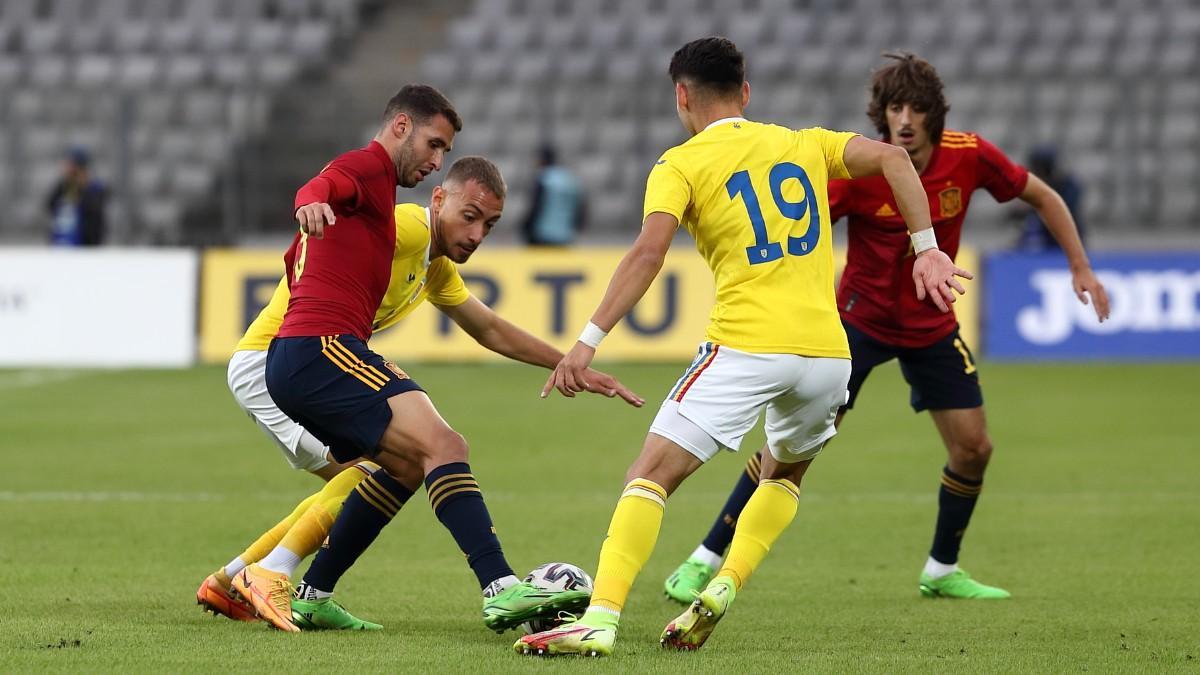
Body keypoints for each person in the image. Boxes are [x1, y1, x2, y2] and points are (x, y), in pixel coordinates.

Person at [515, 38, 969, 657]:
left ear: (681, 95)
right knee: (784, 474)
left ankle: (599, 618)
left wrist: (586, 342)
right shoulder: (803, 142)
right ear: (746, 94)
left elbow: (648, 254)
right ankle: (725, 584)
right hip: (829, 355)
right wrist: (928, 248)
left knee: (648, 477)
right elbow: (894, 159)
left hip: (746, 346)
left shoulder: (679, 164)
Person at [662, 53, 1110, 605]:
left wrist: (1080, 265)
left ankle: (942, 568)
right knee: (789, 453)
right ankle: (704, 558)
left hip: (931, 323)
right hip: (857, 324)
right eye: (895, 106)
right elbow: (789, 226)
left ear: (933, 115)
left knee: (974, 448)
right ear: (882, 112)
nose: (904, 118)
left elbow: (1042, 195)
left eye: (917, 108)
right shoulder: (861, 170)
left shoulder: (969, 157)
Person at [231, 85, 642, 635]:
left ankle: (306, 589)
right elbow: (326, 183)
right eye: (470, 216)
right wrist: (309, 204)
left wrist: (570, 364)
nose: (477, 236)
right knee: (440, 446)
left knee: (399, 466)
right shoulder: (404, 220)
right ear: (439, 199)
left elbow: (489, 327)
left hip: (308, 353)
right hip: (306, 348)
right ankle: (497, 587)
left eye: (489, 226)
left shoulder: (433, 262)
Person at [1014, 144, 1085, 252]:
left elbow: (1064, 208)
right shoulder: (1033, 185)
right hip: (1041, 237)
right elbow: (1014, 214)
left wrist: (1032, 206)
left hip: (1064, 239)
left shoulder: (1068, 185)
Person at [520, 144, 586, 246]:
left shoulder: (543, 179)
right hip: (566, 235)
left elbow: (537, 206)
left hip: (542, 234)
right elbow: (581, 206)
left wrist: (526, 227)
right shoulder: (570, 179)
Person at [46, 147, 107, 246]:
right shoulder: (63, 187)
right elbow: (50, 205)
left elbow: (94, 213)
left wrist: (83, 186)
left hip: (85, 247)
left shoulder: (94, 188)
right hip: (62, 243)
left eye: (70, 164)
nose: (66, 167)